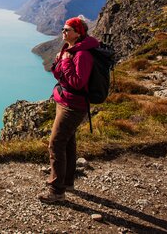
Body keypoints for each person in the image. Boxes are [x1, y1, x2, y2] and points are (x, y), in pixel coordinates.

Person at [37, 15, 100, 203]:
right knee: (68, 143)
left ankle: (56, 191)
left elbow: (78, 83)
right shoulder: (70, 49)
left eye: (67, 30)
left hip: (73, 106)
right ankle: (67, 182)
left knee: (56, 143)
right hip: (64, 102)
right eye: (63, 29)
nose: (63, 32)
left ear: (78, 33)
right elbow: (60, 76)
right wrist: (59, 62)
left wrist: (64, 62)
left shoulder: (83, 54)